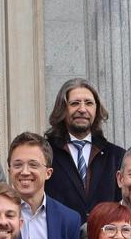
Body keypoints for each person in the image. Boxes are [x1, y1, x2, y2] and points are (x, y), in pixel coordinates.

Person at [7, 130, 82, 239]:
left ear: (48, 173)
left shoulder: (69, 220)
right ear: (9, 171)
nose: (25, 171)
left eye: (33, 165)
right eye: (18, 165)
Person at [44, 78, 125, 218]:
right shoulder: (46, 153)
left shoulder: (116, 156)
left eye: (88, 103)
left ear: (96, 109)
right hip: (62, 237)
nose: (82, 109)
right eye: (75, 103)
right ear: (62, 109)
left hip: (104, 235)